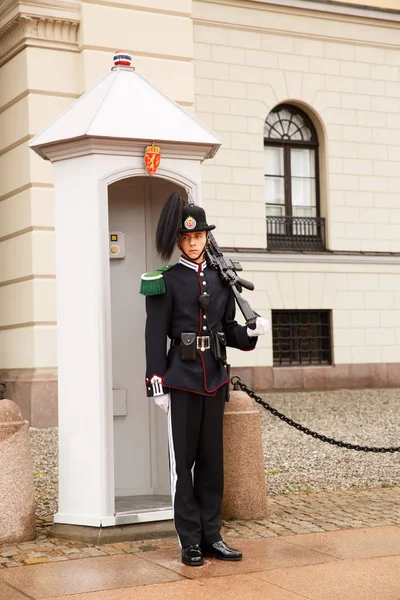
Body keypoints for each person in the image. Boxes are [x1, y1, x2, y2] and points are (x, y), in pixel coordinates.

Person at [140, 192, 270, 567]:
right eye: (186, 237)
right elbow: (154, 335)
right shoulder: (164, 280)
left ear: (206, 238)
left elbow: (228, 329)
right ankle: (190, 541)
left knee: (213, 463)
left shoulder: (220, 279)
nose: (193, 242)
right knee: (184, 465)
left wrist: (252, 333)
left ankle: (212, 536)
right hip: (179, 380)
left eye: (199, 237)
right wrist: (156, 382)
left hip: (214, 379)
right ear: (179, 240)